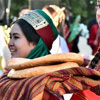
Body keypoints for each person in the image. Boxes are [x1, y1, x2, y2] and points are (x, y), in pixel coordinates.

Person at [0, 9, 100, 100]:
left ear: (36, 43)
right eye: (10, 37)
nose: (10, 44)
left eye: (16, 37)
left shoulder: (48, 83)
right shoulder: (7, 76)